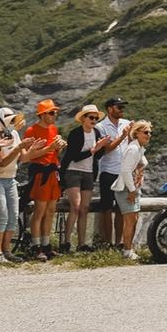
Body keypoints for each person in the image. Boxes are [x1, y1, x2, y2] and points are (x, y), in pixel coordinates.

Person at [23, 100, 65, 260]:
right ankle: (36, 245)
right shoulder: (31, 131)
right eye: (52, 112)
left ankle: (46, 245)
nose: (55, 115)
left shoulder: (54, 129)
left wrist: (59, 148)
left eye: (55, 112)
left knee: (50, 211)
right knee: (39, 211)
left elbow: (54, 154)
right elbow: (27, 157)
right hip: (41, 173)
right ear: (42, 114)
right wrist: (50, 148)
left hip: (53, 172)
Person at [61, 104, 106, 252]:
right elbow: (74, 157)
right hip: (73, 171)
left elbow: (98, 156)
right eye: (91, 117)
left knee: (85, 208)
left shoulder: (97, 133)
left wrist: (100, 148)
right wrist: (94, 149)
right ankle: (66, 242)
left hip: (88, 173)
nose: (94, 120)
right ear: (83, 119)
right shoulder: (75, 133)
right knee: (76, 206)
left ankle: (81, 243)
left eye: (96, 118)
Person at [0, 108, 24, 262]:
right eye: (9, 119)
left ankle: (6, 251)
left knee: (13, 216)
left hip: (11, 178)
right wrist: (19, 148)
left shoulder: (14, 134)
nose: (12, 122)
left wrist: (46, 148)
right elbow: (1, 162)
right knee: (2, 216)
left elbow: (24, 157)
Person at [93, 98, 133, 252]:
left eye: (122, 106)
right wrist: (122, 137)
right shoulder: (101, 126)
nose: (122, 109)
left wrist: (129, 136)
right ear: (110, 109)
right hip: (108, 171)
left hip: (123, 172)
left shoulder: (126, 123)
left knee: (121, 210)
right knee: (107, 209)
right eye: (119, 106)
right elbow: (106, 150)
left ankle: (119, 242)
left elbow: (131, 145)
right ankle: (107, 242)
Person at [111, 121, 152, 260]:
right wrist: (132, 190)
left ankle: (129, 249)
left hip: (132, 188)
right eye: (146, 132)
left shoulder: (138, 148)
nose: (149, 135)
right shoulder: (133, 149)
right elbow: (125, 171)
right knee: (130, 220)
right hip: (126, 189)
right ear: (137, 133)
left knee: (133, 219)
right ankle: (127, 251)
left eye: (150, 132)